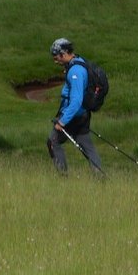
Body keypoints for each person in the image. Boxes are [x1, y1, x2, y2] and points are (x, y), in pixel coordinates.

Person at [46, 38, 102, 174]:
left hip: (74, 115)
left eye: (56, 57)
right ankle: (99, 175)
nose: (56, 61)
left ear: (64, 54)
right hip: (83, 114)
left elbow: (76, 101)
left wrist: (62, 121)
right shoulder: (79, 61)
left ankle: (62, 175)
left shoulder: (75, 71)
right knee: (86, 144)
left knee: (53, 141)